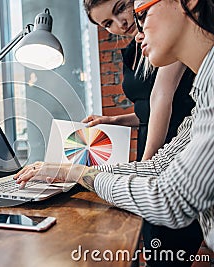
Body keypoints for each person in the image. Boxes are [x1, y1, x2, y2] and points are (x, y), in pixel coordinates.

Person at [14, 0, 214, 261]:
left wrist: (79, 173)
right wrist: (67, 171)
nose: (137, 32)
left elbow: (168, 199)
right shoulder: (202, 98)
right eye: (108, 23)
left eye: (141, 13)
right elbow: (156, 168)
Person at [81, 0, 201, 266]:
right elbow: (148, 110)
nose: (121, 23)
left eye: (122, 8)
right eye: (107, 24)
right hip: (159, 144)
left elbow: (163, 98)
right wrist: (113, 119)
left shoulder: (166, 36)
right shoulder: (138, 48)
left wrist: (146, 164)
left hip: (173, 144)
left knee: (165, 246)